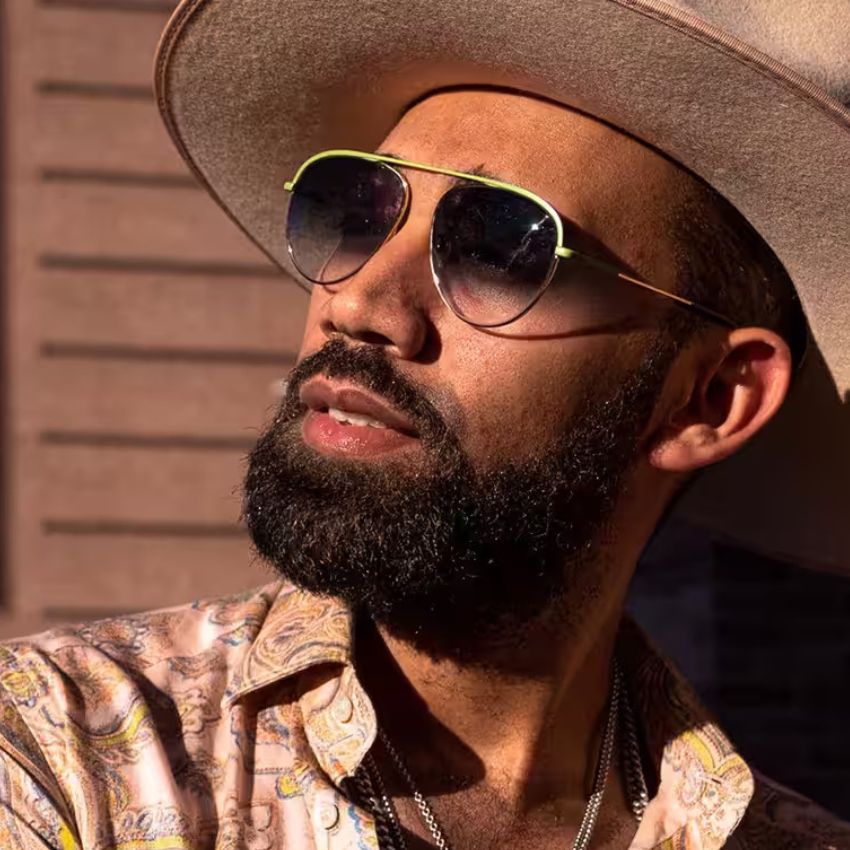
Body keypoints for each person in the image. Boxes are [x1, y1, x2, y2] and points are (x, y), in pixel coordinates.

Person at [1, 1, 848, 848]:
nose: (358, 303)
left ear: (710, 400)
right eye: (359, 212)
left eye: (498, 249)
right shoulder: (54, 757)